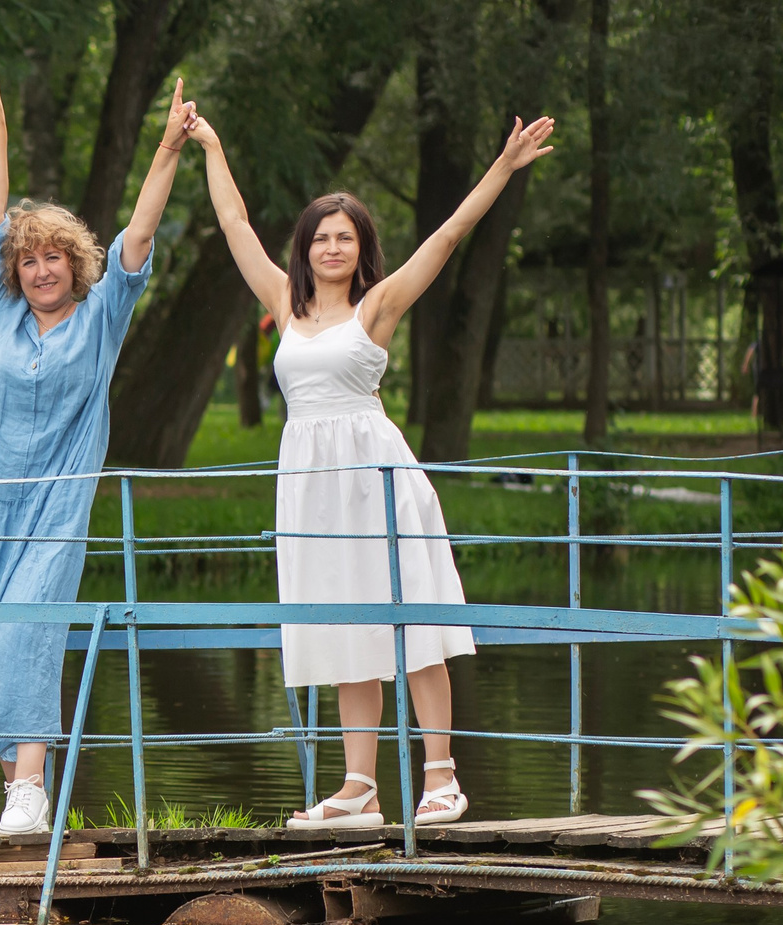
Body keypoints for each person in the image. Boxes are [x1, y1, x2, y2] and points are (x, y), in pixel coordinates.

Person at [188, 113, 555, 828]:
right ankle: (359, 788)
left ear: (361, 250)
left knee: (412, 619)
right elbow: (233, 223)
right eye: (320, 238)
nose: (331, 248)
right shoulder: (283, 304)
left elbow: (448, 235)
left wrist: (504, 167)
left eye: (344, 238)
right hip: (310, 490)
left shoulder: (376, 307)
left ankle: (441, 777)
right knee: (343, 628)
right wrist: (212, 144)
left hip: (375, 481)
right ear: (305, 249)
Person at [0, 64, 195, 835]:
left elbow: (139, 236)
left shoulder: (102, 318)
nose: (39, 270)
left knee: (25, 632)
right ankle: (21, 796)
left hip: (52, 507)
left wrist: (168, 149)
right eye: (29, 261)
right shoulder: (1, 312)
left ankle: (30, 787)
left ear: (76, 264)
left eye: (53, 258)